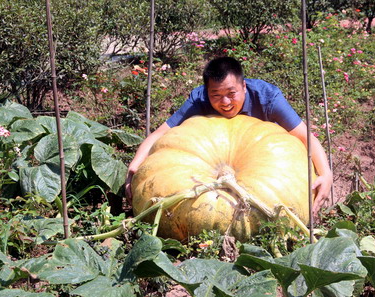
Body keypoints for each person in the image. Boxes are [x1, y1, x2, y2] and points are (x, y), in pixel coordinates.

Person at [125, 56, 333, 214]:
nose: (225, 102)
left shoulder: (268, 97)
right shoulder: (198, 99)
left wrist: (326, 173)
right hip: (213, 160)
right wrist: (135, 166)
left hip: (261, 160)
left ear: (244, 86)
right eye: (216, 95)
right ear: (206, 91)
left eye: (231, 94)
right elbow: (160, 134)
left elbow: (305, 136)